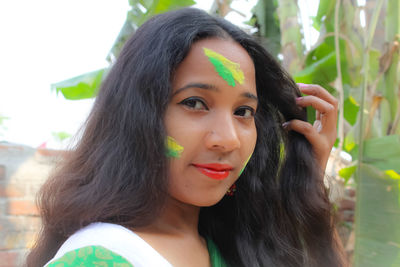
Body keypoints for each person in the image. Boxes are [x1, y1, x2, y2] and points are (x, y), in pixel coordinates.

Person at [27, 7, 347, 267]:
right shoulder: (100, 258)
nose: (229, 139)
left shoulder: (235, 245)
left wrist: (309, 179)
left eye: (244, 112)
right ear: (137, 116)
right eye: (194, 103)